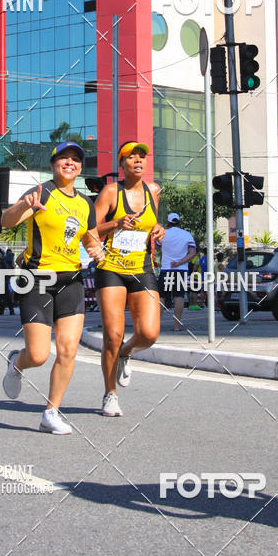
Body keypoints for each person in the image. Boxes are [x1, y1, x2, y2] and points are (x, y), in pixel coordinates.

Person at [0, 141, 103, 435]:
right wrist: (24, 205)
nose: (69, 163)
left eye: (75, 160)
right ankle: (17, 364)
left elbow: (89, 238)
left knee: (69, 349)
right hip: (37, 279)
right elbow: (6, 221)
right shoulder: (40, 192)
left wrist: (98, 251)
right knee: (38, 355)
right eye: (63, 158)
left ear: (80, 168)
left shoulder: (85, 203)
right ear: (53, 164)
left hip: (71, 280)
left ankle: (51, 412)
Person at [93, 141, 165, 418]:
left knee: (149, 334)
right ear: (121, 164)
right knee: (112, 334)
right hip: (110, 267)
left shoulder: (154, 191)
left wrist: (159, 229)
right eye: (131, 156)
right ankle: (110, 394)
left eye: (142, 156)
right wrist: (116, 223)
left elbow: (152, 224)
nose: (138, 160)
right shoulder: (111, 191)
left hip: (141, 268)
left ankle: (126, 352)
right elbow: (91, 231)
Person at [157, 213, 196, 331]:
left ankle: (155, 326)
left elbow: (158, 247)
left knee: (162, 297)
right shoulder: (187, 235)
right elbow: (192, 253)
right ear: (179, 221)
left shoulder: (163, 234)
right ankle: (176, 326)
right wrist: (179, 262)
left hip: (166, 269)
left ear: (168, 222)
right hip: (181, 270)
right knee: (179, 297)